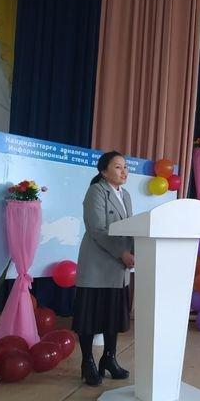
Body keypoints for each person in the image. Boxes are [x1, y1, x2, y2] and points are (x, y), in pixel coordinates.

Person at [72, 151, 134, 386]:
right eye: (118, 167)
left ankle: (109, 359)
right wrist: (123, 253)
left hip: (119, 266)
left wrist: (135, 251)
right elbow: (97, 229)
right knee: (90, 316)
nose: (124, 171)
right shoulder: (96, 191)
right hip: (97, 265)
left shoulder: (126, 195)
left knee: (112, 316)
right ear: (104, 172)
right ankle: (87, 362)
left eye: (125, 167)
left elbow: (130, 227)